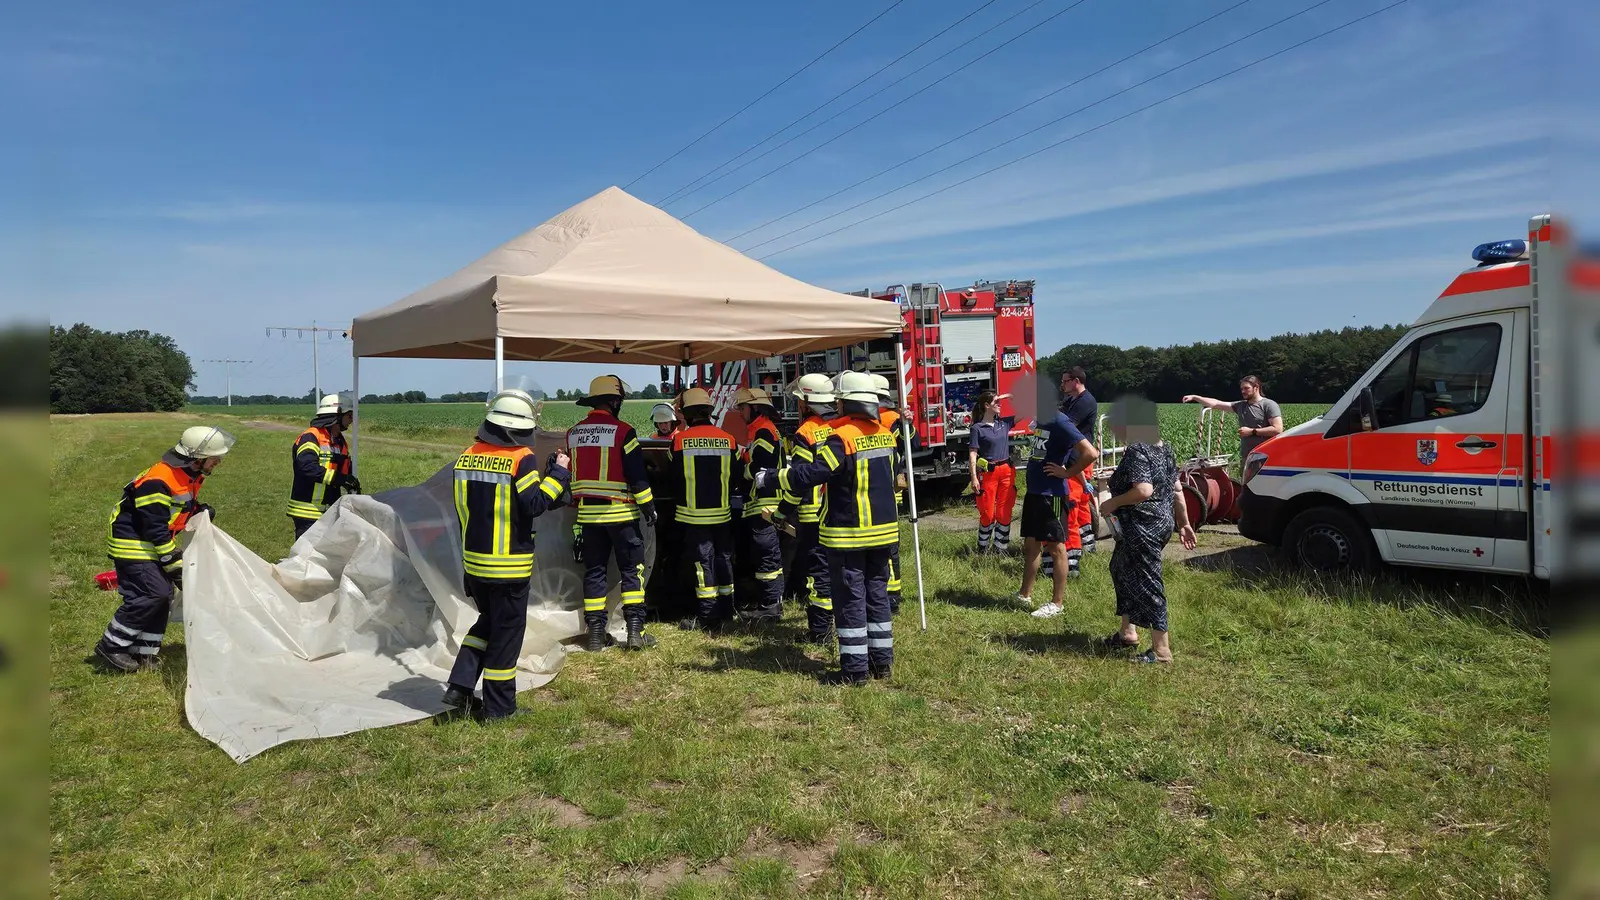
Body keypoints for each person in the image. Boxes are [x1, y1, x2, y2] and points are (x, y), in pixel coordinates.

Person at [760, 372, 900, 685]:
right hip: (884, 533)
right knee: (877, 596)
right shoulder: (885, 434)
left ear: (846, 402)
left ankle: (854, 671)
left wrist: (769, 478)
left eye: (839, 400)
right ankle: (882, 664)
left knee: (850, 599)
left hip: (849, 535)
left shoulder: (842, 438)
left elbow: (810, 474)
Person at [441, 390, 571, 718]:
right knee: (507, 635)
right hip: (508, 567)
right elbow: (533, 505)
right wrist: (558, 474)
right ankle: (499, 709)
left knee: (488, 621)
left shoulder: (467, 455)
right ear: (520, 428)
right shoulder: (520, 458)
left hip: (474, 564)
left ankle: (459, 685)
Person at [96, 425, 235, 673]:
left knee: (164, 596)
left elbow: (174, 509)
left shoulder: (188, 475)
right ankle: (112, 645)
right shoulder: (159, 480)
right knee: (153, 594)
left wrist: (198, 510)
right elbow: (153, 525)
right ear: (197, 458)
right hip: (133, 543)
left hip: (150, 542)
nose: (218, 462)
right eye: (214, 458)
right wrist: (171, 560)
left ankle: (144, 652)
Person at [1097, 396, 1197, 663]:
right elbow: (1177, 490)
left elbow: (1143, 490)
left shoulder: (1138, 449)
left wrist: (1112, 503)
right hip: (1159, 523)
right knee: (1120, 568)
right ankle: (1127, 632)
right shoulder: (1165, 448)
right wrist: (1184, 524)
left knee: (1148, 581)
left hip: (1143, 526)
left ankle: (1162, 650)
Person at [567, 374, 658, 652]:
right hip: (621, 516)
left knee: (595, 572)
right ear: (615, 402)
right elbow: (637, 476)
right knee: (632, 571)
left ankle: (595, 635)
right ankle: (635, 632)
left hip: (588, 519)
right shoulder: (623, 432)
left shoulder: (574, 433)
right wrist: (649, 507)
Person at [667, 388, 741, 630]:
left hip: (693, 516)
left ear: (687, 414)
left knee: (703, 563)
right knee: (724, 559)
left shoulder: (680, 441)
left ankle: (708, 616)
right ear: (709, 412)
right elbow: (736, 475)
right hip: (723, 514)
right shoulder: (728, 439)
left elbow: (672, 476)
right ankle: (728, 609)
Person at [1019, 402, 1099, 619]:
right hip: (1035, 492)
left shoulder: (1059, 420)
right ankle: (1024, 595)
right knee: (1031, 545)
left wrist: (1068, 473)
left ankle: (1057, 603)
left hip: (1051, 495)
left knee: (1056, 547)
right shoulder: (1041, 421)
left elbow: (1090, 453)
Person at [779, 373, 838, 643]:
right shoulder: (843, 425)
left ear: (805, 403)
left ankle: (820, 631)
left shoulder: (806, 433)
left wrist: (782, 511)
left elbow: (800, 480)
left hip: (813, 515)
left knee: (819, 573)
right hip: (841, 512)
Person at [734, 387, 784, 622]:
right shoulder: (762, 430)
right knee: (767, 554)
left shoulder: (763, 431)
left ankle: (770, 606)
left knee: (767, 555)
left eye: (743, 408)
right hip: (767, 502)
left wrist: (740, 471)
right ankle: (769, 602)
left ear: (754, 408)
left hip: (766, 504)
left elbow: (760, 467)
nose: (740, 412)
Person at [286, 393, 360, 539]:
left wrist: (351, 483)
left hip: (329, 511)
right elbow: (307, 467)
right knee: (307, 552)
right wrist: (341, 479)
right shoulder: (311, 437)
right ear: (337, 415)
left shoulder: (339, 442)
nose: (351, 420)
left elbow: (344, 471)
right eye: (349, 415)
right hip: (307, 512)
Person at [870, 373, 909, 614]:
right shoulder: (886, 419)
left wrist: (906, 425)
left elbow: (908, 444)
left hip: (884, 492)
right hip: (883, 491)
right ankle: (889, 593)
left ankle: (892, 595)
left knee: (888, 547)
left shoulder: (890, 420)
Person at [1181, 375, 1284, 460]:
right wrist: (1195, 397)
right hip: (1247, 456)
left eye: (1246, 388)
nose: (1243, 391)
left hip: (1266, 456)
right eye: (1242, 389)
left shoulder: (1268, 405)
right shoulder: (1240, 405)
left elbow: (1278, 429)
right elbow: (1216, 403)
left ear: (1256, 387)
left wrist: (1252, 431)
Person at [966, 391, 1016, 554]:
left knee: (1004, 512)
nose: (1000, 405)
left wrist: (1009, 398)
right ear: (987, 406)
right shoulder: (977, 428)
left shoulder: (1004, 423)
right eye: (996, 402)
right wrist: (974, 477)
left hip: (1007, 471)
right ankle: (983, 548)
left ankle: (1000, 549)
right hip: (988, 474)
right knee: (987, 514)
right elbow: (973, 453)